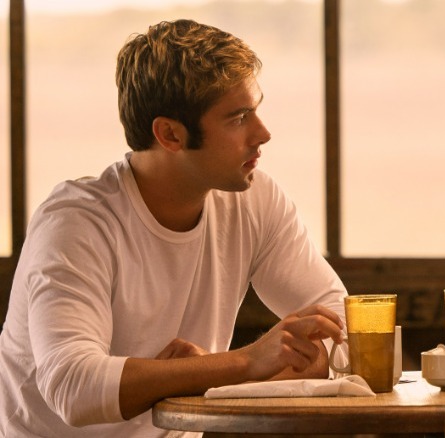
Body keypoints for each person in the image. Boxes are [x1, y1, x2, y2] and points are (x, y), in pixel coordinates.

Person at [0, 19, 348, 437]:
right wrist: (243, 363)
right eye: (238, 118)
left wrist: (207, 374)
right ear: (169, 134)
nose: (263, 133)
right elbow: (72, 387)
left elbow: (342, 325)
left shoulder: (253, 198)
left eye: (256, 109)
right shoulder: (75, 224)